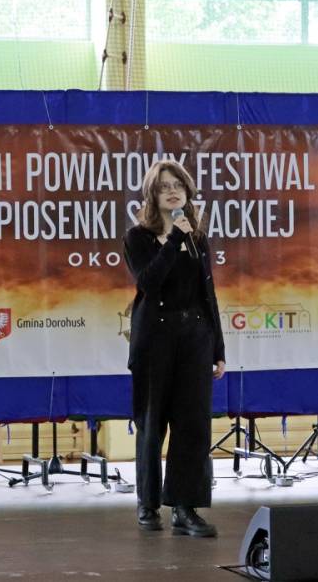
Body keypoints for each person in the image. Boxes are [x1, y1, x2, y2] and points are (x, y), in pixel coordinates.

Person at [123, 159, 226, 537]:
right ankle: (148, 504)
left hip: (195, 337)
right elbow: (149, 283)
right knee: (152, 424)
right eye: (164, 186)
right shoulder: (138, 238)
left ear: (187, 192)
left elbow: (207, 294)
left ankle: (185, 508)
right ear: (152, 195)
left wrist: (218, 348)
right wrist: (173, 241)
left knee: (193, 424)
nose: (172, 191)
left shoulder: (197, 238)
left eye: (178, 185)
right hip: (156, 339)